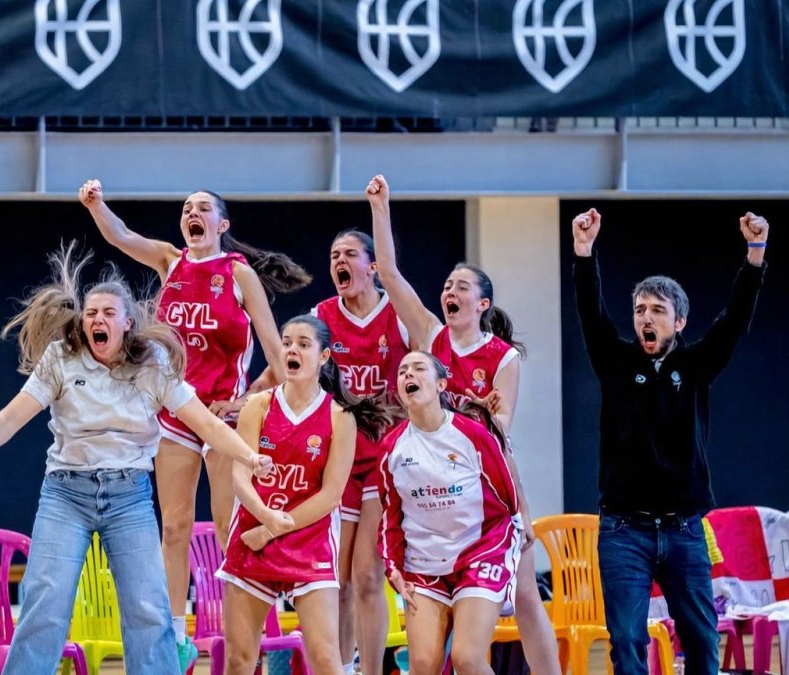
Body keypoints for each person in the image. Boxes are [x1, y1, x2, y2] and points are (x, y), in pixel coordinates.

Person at [0, 244, 275, 675]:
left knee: (148, 607)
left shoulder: (153, 363)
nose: (98, 320)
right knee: (45, 601)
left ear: (127, 323)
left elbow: (206, 423)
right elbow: (16, 412)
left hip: (128, 496)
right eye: (92, 313)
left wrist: (248, 455)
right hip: (66, 493)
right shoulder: (61, 358)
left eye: (109, 313)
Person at [78, 179, 311, 668]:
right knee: (175, 526)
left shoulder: (238, 273)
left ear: (222, 224)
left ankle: (258, 635)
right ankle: (174, 637)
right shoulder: (170, 261)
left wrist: (248, 401)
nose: (193, 213)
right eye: (187, 207)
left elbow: (276, 355)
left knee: (230, 528)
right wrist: (96, 205)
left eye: (203, 207)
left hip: (224, 417)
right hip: (178, 412)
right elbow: (122, 236)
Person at [367, 175, 555, 672]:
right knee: (435, 641)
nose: (450, 291)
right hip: (432, 478)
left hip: (489, 476)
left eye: (461, 287)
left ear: (482, 304)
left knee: (527, 595)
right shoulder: (430, 335)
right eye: (448, 286)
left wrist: (482, 411)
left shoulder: (502, 356)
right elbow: (389, 274)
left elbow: (500, 428)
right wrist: (381, 208)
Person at [571, 207, 768, 675]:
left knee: (701, 640)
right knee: (627, 640)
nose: (646, 317)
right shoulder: (615, 363)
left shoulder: (696, 366)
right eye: (640, 309)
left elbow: (734, 321)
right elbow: (591, 314)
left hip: (684, 530)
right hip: (623, 531)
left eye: (658, 310)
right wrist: (584, 252)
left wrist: (755, 254)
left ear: (679, 322)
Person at [218, 314, 393, 675]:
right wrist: (265, 519)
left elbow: (331, 496)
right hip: (253, 532)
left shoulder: (339, 416)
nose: (291, 350)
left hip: (308, 540)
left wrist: (271, 528)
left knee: (327, 659)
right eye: (286, 343)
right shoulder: (258, 406)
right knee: (239, 659)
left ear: (324, 356)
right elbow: (240, 477)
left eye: (303, 344)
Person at [378, 351, 523, 675]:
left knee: (467, 659)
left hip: (480, 551)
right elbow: (389, 519)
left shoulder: (472, 435)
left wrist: (517, 535)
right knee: (423, 665)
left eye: (418, 368)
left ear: (441, 384)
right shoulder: (392, 448)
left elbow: (507, 498)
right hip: (423, 564)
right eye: (402, 371)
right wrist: (393, 568)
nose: (408, 375)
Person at [313, 230, 408, 675]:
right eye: (334, 255)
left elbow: (434, 361)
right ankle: (340, 667)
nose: (340, 261)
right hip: (340, 457)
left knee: (367, 575)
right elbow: (287, 368)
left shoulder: (399, 314)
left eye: (350, 253)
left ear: (372, 266)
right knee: (338, 580)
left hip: (384, 458)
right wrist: (249, 397)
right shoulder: (321, 316)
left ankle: (370, 669)